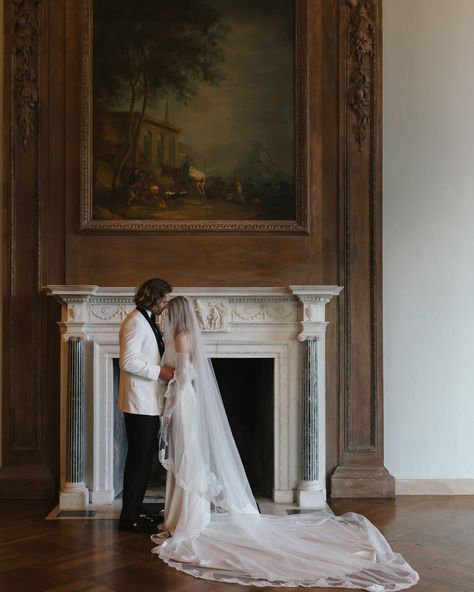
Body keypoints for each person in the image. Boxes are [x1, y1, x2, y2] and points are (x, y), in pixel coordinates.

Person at [151, 296, 419, 591]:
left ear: (175, 314)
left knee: (189, 459)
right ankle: (182, 517)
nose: (163, 316)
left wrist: (170, 405)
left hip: (183, 404)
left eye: (167, 312)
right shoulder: (179, 337)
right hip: (181, 403)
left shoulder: (182, 337)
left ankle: (189, 519)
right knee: (187, 459)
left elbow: (185, 376)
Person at [117, 278, 174, 533]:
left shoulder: (147, 318)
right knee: (139, 458)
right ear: (153, 298)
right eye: (164, 299)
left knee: (144, 456)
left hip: (147, 401)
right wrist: (160, 372)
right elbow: (127, 362)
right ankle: (129, 516)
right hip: (138, 401)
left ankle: (136, 508)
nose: (166, 304)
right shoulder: (136, 322)